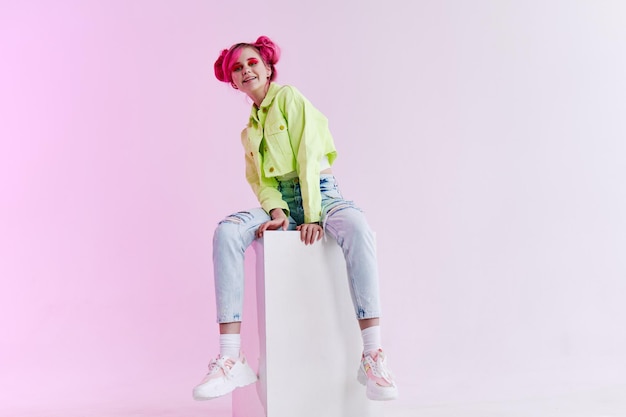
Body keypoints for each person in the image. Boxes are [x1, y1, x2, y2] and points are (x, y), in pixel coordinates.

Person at [192, 35, 398, 402]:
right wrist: (276, 212)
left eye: (252, 62)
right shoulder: (248, 132)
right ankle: (230, 356)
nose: (246, 70)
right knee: (226, 232)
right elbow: (261, 181)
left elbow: (308, 155)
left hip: (320, 192)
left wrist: (314, 215)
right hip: (285, 205)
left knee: (357, 227)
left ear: (268, 68)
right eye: (238, 68)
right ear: (234, 81)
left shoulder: (288, 97)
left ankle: (373, 355)